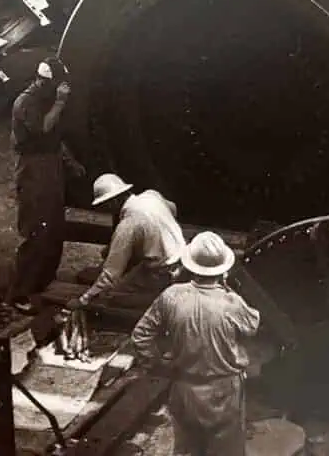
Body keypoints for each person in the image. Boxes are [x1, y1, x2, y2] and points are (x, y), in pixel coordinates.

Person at [131, 232, 261, 456]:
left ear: (189, 265)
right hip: (224, 391)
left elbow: (140, 335)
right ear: (223, 270)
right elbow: (252, 326)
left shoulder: (171, 296)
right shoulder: (231, 303)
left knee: (187, 449)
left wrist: (156, 365)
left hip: (185, 387)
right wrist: (227, 289)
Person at [8, 56, 86, 312]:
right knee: (35, 230)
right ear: (42, 82)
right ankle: (22, 292)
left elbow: (55, 139)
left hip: (50, 167)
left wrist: (70, 163)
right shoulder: (26, 103)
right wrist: (61, 102)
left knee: (53, 229)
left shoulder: (45, 100)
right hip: (33, 171)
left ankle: (43, 283)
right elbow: (43, 129)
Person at [68, 173, 185, 312]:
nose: (105, 210)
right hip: (181, 258)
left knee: (112, 295)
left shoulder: (128, 225)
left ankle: (160, 298)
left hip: (161, 273)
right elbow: (173, 208)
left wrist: (83, 300)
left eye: (105, 205)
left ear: (113, 201)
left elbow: (111, 274)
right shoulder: (151, 196)